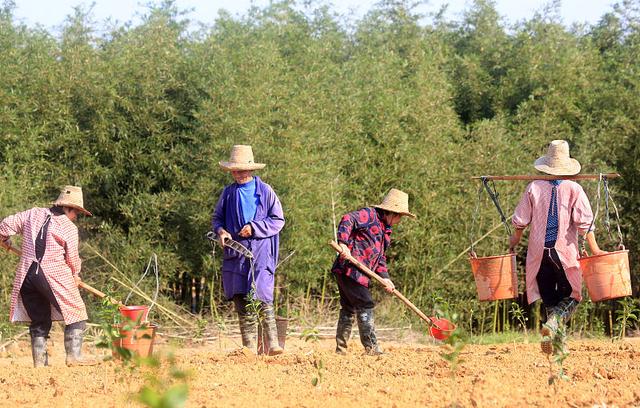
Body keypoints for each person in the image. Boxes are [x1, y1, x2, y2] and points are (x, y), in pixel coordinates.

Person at [508, 140, 606, 354]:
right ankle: (553, 326)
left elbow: (520, 222)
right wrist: (596, 251)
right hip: (563, 253)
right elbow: (585, 225)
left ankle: (557, 342)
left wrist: (512, 244)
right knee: (572, 296)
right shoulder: (574, 188)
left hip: (538, 253)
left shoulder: (534, 186)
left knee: (550, 297)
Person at [0, 185, 97, 367]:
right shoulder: (68, 228)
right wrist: (75, 274)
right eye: (76, 212)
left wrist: (4, 241)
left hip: (27, 276)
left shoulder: (32, 214)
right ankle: (74, 357)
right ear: (69, 208)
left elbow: (4, 226)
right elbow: (72, 258)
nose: (75, 217)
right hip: (53, 275)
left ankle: (40, 366)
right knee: (77, 312)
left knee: (39, 320)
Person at [211, 145, 285, 355]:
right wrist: (221, 231)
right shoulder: (228, 193)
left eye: (242, 170)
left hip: (261, 252)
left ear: (251, 170)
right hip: (236, 253)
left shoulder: (266, 192)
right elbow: (217, 219)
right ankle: (249, 348)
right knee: (241, 297)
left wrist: (254, 227)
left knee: (262, 294)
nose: (239, 174)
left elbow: (278, 220)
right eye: (235, 170)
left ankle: (273, 344)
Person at [331, 188, 415, 355]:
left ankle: (340, 350)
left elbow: (380, 258)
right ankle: (371, 348)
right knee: (365, 303)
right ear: (393, 213)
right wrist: (344, 244)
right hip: (349, 269)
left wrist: (386, 279)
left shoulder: (386, 231)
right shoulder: (369, 215)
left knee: (348, 307)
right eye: (400, 217)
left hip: (358, 274)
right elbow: (348, 219)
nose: (400, 220)